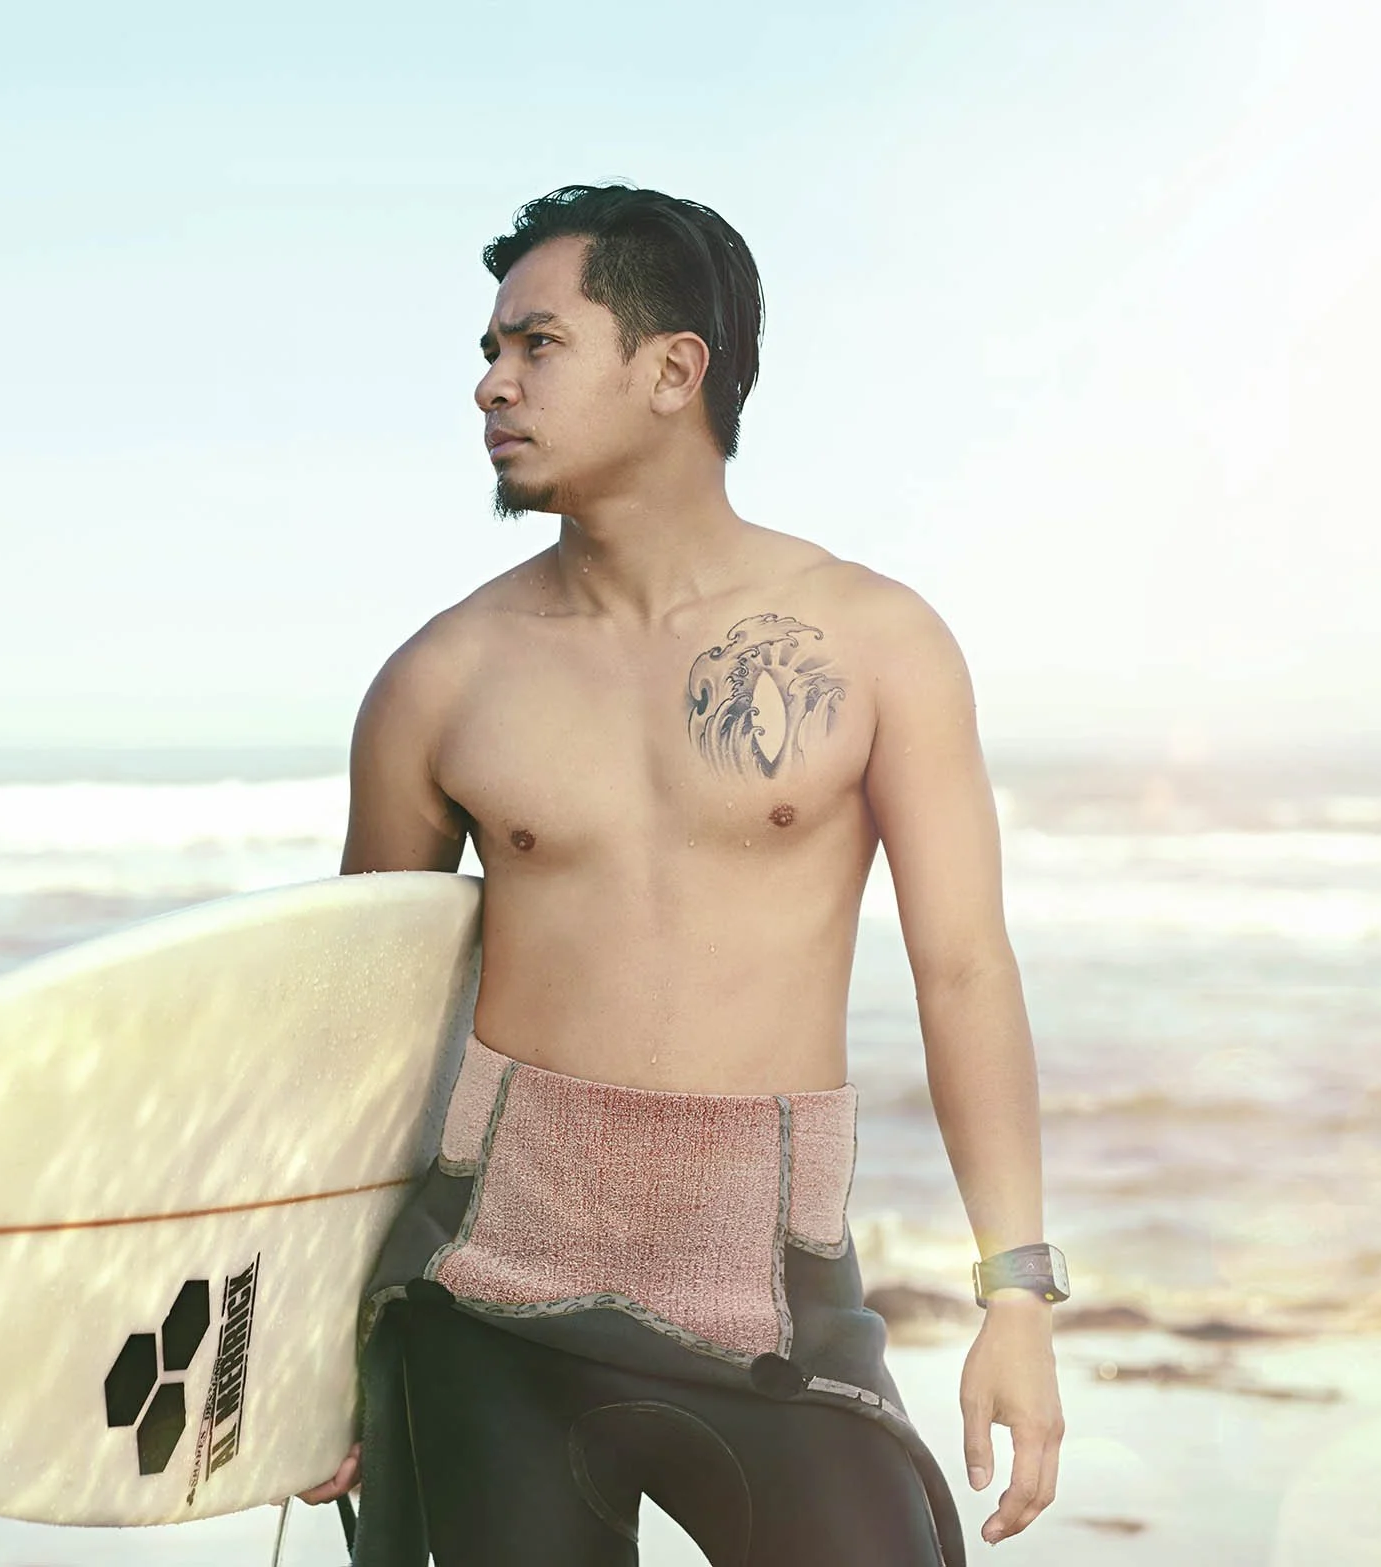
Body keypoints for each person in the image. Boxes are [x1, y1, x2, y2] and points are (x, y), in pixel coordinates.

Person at [300, 183, 1064, 1565]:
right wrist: (310, 1332)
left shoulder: (875, 640)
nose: (492, 384)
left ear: (672, 369)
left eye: (537, 345)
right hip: (484, 1303)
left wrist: (1016, 1291)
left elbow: (963, 969)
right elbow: (366, 1027)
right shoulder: (439, 682)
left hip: (770, 1305)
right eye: (490, 351)